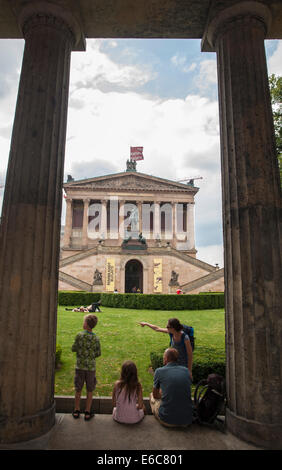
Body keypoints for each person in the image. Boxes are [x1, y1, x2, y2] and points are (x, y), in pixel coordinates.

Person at [150, 348, 193, 427]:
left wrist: (162, 395)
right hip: (187, 420)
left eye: (163, 357)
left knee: (151, 396)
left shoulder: (159, 371)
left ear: (166, 358)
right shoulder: (186, 371)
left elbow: (155, 395)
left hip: (167, 420)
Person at [71, 314, 101, 421]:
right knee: (90, 389)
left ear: (86, 324)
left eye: (84, 321)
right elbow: (98, 353)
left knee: (78, 388)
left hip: (80, 367)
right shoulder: (96, 338)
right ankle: (87, 411)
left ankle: (76, 409)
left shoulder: (79, 335)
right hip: (90, 368)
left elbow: (73, 348)